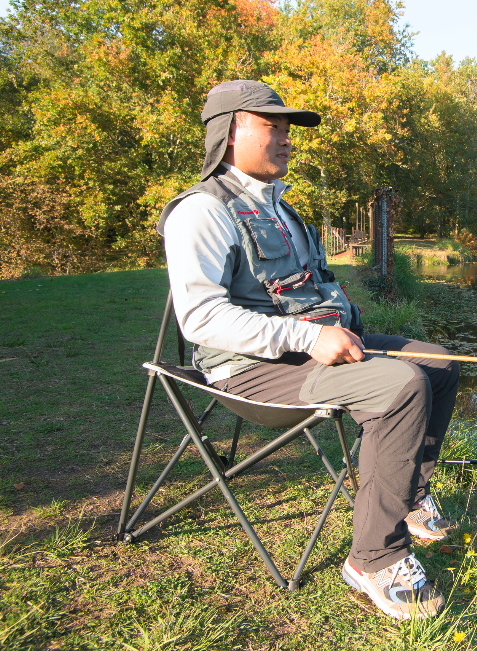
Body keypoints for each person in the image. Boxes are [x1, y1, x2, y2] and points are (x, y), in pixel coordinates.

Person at [158, 80, 458, 619]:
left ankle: (408, 493)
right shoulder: (201, 213)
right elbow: (200, 318)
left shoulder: (283, 211)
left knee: (436, 362)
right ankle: (375, 559)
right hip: (249, 373)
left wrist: (337, 326)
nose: (286, 138)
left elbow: (313, 290)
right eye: (271, 126)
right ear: (230, 134)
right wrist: (308, 337)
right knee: (401, 386)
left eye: (287, 129)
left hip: (312, 353)